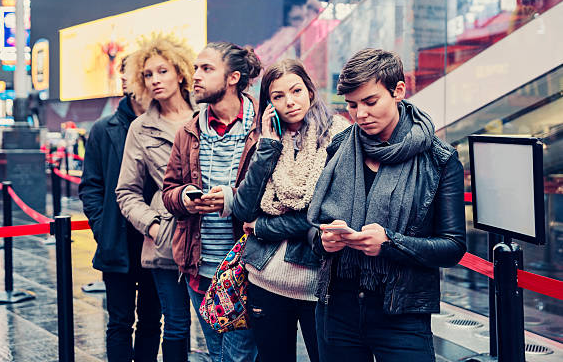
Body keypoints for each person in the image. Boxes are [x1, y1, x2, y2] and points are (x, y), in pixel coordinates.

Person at [307, 48, 466, 362]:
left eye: (370, 102)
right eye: (351, 105)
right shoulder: (340, 147)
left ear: (399, 91)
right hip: (337, 306)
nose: (360, 115)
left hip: (402, 313)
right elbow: (312, 228)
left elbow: (453, 246)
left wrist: (390, 244)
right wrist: (324, 240)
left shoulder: (439, 159)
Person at [232, 59, 349, 362]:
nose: (290, 101)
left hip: (317, 286)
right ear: (268, 104)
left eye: (296, 90)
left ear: (310, 90)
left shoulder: (338, 137)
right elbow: (244, 208)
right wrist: (268, 146)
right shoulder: (264, 140)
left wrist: (262, 228)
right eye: (278, 96)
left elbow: (322, 214)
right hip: (264, 282)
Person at [162, 42, 262, 362]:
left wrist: (233, 200)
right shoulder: (188, 131)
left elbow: (278, 194)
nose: (196, 76)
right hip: (199, 267)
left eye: (206, 69)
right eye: (196, 68)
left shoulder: (263, 126)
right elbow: (169, 191)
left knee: (237, 356)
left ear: (232, 78)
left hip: (245, 267)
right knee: (218, 353)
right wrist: (184, 198)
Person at [115, 33, 197, 362]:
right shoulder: (140, 128)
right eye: (148, 74)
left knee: (221, 322)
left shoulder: (206, 114)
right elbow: (126, 191)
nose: (155, 80)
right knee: (175, 324)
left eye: (162, 71)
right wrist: (152, 225)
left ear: (180, 72)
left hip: (215, 233)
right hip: (167, 237)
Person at [79, 55, 162, 362]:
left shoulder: (167, 124)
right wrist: (104, 229)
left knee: (152, 322)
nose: (127, 80)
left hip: (157, 241)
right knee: (119, 323)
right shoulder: (105, 129)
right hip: (118, 242)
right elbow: (91, 186)